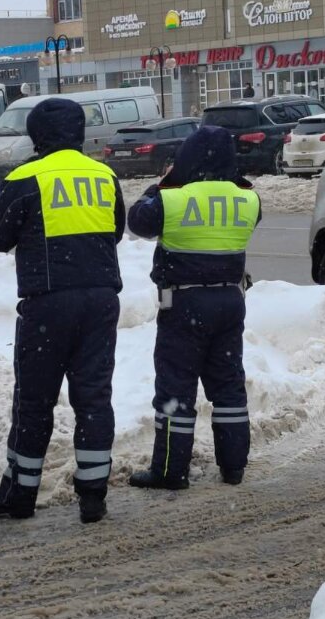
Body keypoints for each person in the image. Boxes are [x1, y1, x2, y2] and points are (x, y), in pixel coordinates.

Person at [0, 98, 126, 524]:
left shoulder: (26, 177)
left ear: (37, 136)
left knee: (35, 400)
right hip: (100, 300)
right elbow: (114, 230)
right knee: (94, 398)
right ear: (78, 134)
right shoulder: (104, 175)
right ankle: (93, 496)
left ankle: (19, 494)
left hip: (49, 302)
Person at [125, 126, 261, 491]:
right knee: (229, 385)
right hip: (231, 302)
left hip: (183, 303)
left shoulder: (173, 199)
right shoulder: (249, 200)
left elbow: (137, 219)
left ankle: (170, 470)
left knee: (175, 387)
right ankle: (233, 467)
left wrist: (163, 183)